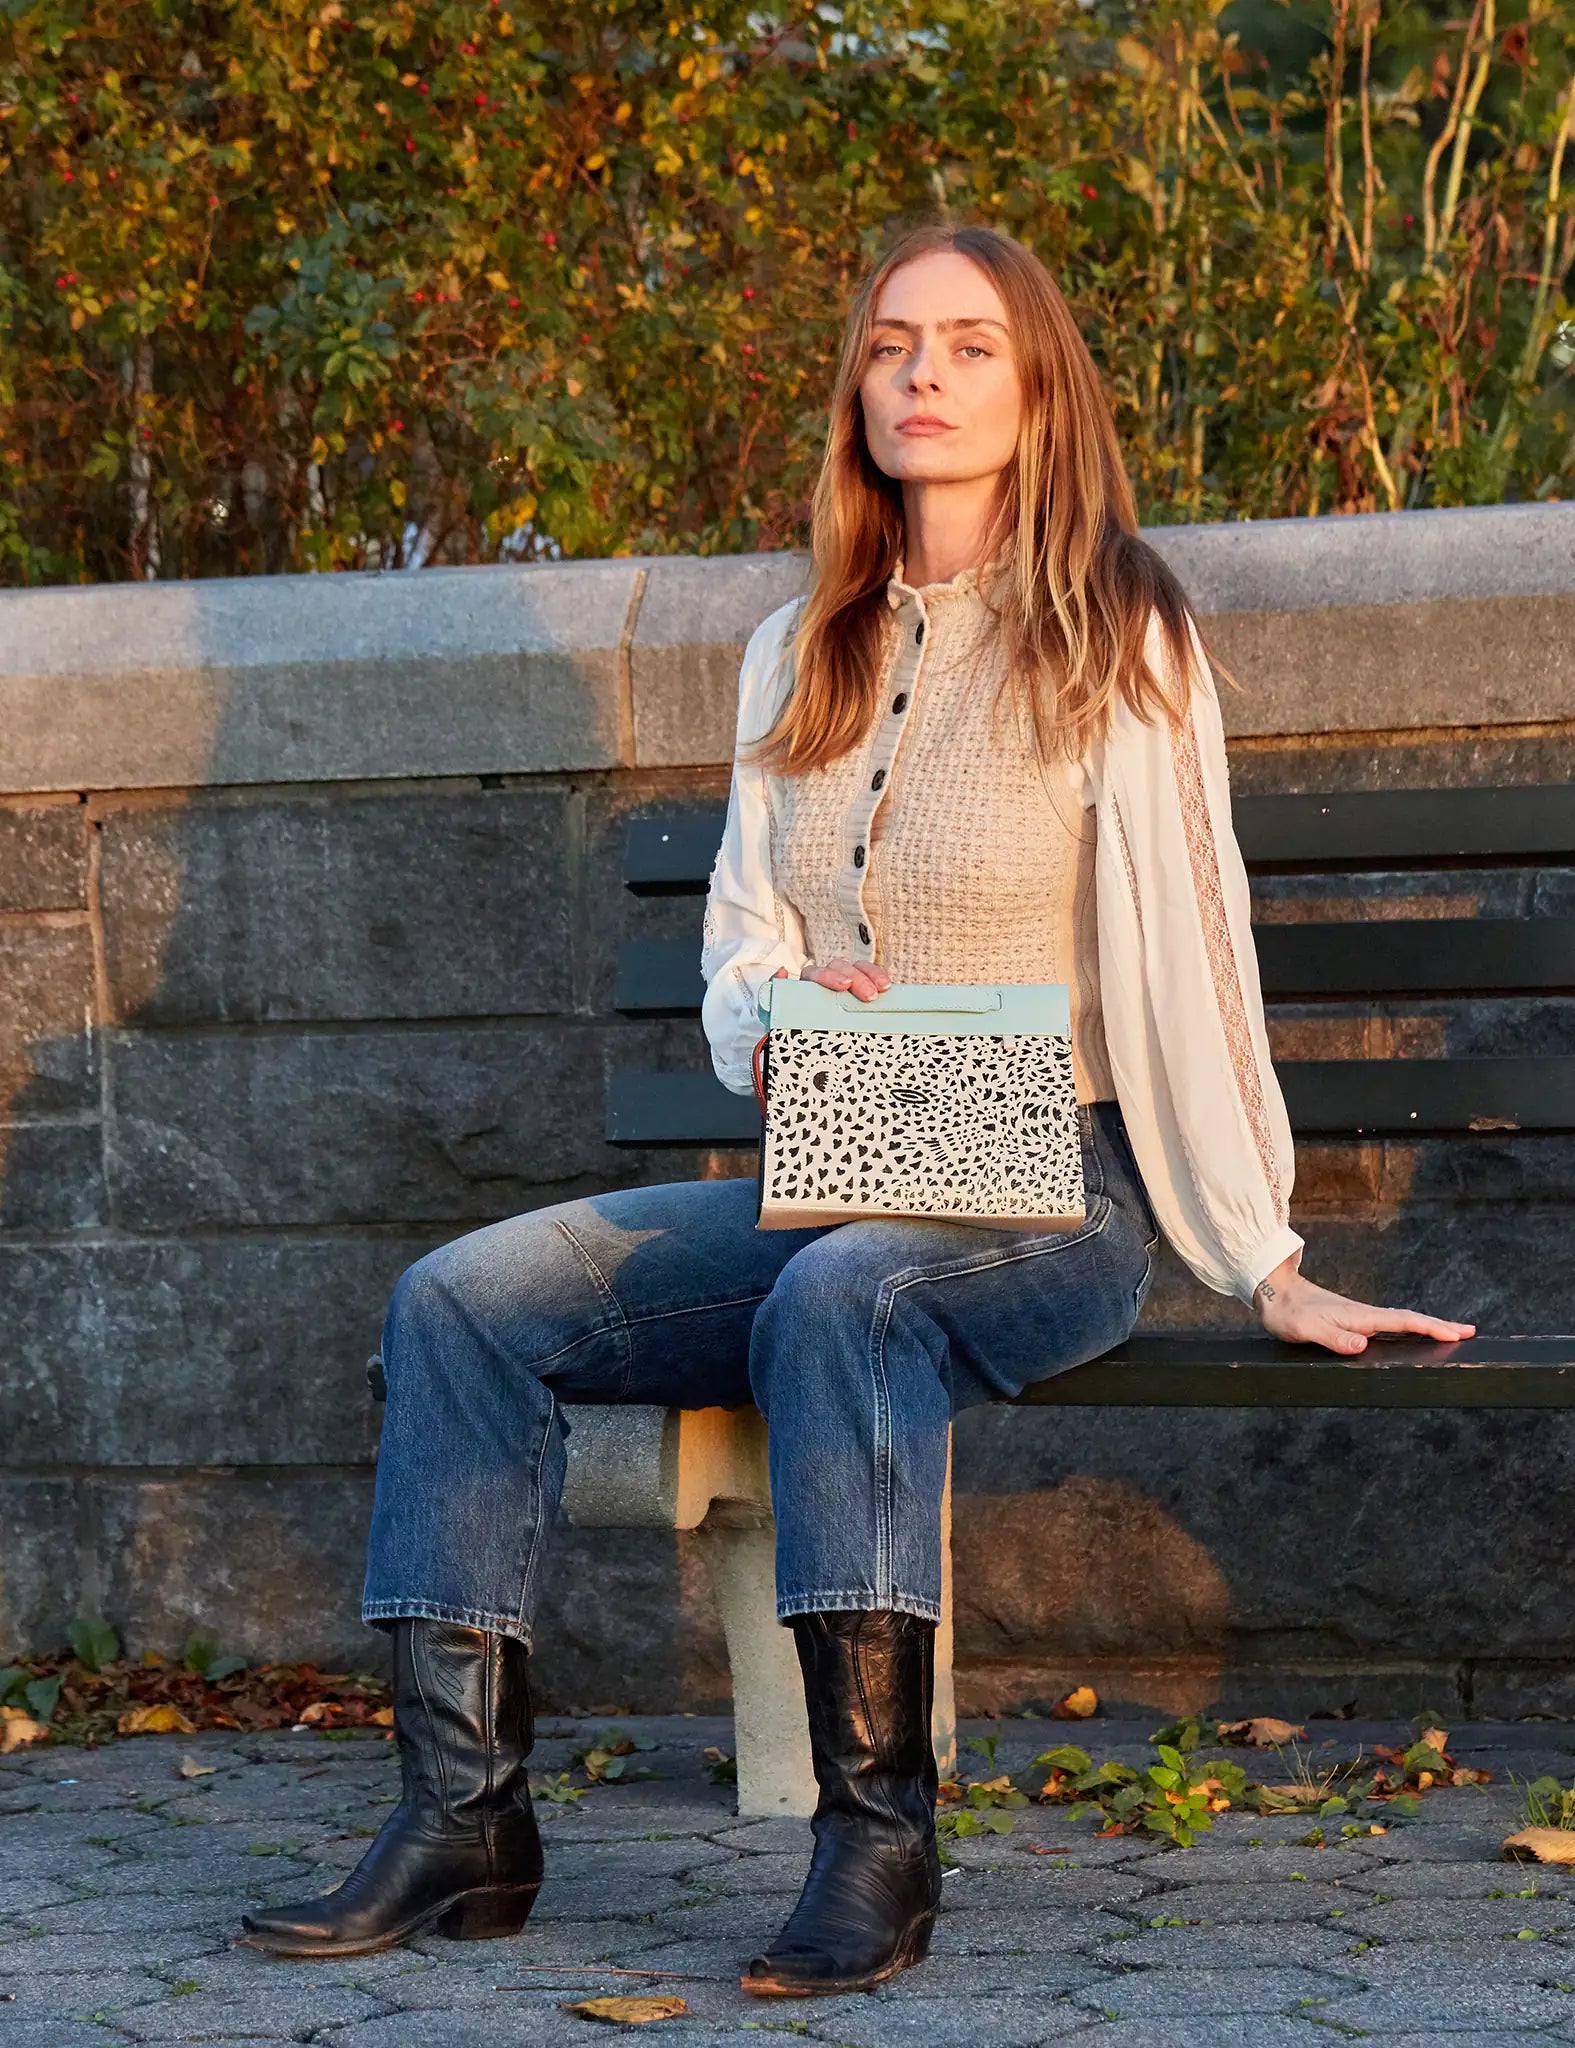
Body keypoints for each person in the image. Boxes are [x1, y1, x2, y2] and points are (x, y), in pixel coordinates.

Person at [236, 223, 1474, 1995]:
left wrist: (1261, 1250)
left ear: (1037, 389)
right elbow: (742, 946)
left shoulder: (1118, 633)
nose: (923, 376)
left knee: (849, 1299)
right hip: (844, 1165)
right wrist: (788, 1004)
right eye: (894, 344)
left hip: (1063, 1189)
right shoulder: (790, 650)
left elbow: (1192, 952)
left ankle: (874, 1844)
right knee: (461, 1303)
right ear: (858, 386)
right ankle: (462, 1820)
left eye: (969, 346)